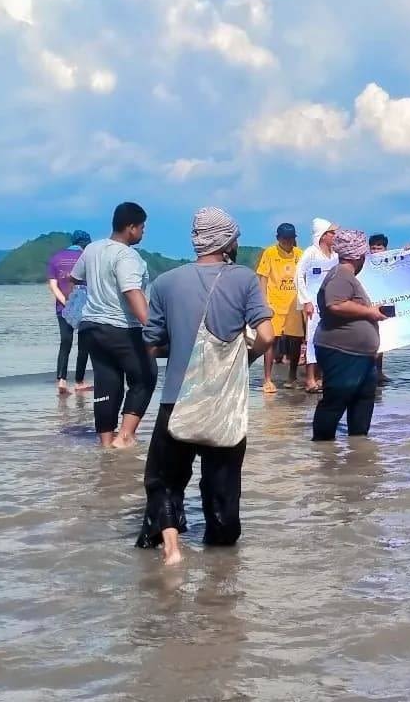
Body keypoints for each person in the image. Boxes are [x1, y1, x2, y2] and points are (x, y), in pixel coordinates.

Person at [137, 207, 275, 567]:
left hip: (176, 401)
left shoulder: (165, 282)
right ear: (228, 240)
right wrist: (244, 360)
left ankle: (170, 549)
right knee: (223, 493)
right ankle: (221, 573)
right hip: (224, 404)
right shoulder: (244, 279)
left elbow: (151, 346)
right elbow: (266, 336)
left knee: (163, 482)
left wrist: (179, 346)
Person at [71, 202, 153, 448]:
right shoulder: (127, 256)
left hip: (90, 329)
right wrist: (152, 326)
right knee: (145, 377)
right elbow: (131, 291)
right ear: (130, 228)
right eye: (141, 227)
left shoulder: (92, 249)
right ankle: (125, 436)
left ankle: (106, 442)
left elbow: (74, 278)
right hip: (120, 329)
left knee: (107, 382)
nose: (143, 232)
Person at [312, 228, 386, 441]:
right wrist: (369, 312)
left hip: (359, 354)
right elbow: (335, 304)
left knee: (362, 400)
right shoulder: (341, 274)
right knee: (335, 401)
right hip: (342, 351)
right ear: (358, 256)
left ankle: (358, 451)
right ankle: (323, 449)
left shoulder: (346, 275)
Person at [255, 223, 305, 394]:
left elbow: (305, 277)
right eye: (284, 239)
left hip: (294, 303)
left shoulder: (300, 254)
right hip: (274, 303)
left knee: (296, 340)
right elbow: (263, 277)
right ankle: (267, 380)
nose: (288, 242)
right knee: (271, 341)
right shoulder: (270, 252)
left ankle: (292, 377)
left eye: (291, 239)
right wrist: (264, 301)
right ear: (278, 238)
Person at [295, 219, 339, 393]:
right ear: (322, 235)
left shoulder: (336, 255)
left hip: (332, 302)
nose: (334, 236)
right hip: (314, 302)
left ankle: (325, 376)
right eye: (331, 233)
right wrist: (306, 301)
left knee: (331, 338)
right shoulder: (311, 253)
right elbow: (298, 276)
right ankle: (310, 379)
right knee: (313, 338)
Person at [47, 229, 92, 394]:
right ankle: (79, 381)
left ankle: (62, 380)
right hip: (84, 307)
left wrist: (65, 302)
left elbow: (53, 285)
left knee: (65, 343)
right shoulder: (87, 258)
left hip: (62, 307)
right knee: (83, 345)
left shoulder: (55, 258)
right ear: (85, 243)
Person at [368, 234, 392, 385]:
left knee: (383, 339)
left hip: (386, 303)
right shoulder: (364, 262)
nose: (376, 250)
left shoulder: (391, 262)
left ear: (385, 249)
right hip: (369, 305)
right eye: (373, 248)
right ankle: (371, 372)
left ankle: (379, 372)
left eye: (379, 247)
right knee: (370, 339)